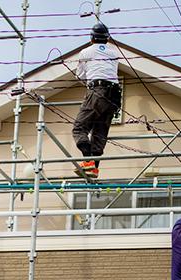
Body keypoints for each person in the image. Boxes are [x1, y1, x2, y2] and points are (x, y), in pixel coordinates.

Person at [72, 22, 121, 178]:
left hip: (97, 90)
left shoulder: (85, 52)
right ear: (107, 39)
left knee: (79, 128)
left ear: (92, 38)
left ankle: (88, 163)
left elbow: (80, 76)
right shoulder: (114, 53)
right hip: (114, 95)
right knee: (99, 133)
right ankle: (94, 169)